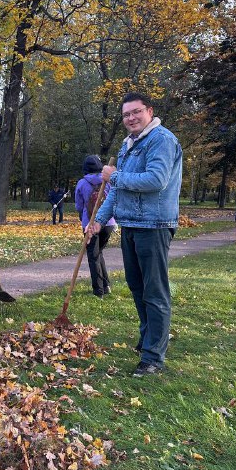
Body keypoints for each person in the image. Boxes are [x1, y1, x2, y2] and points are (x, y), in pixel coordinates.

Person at [86, 92, 182, 377]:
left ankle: (153, 357)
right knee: (137, 287)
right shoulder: (128, 145)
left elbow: (156, 180)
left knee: (155, 290)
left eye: (135, 112)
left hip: (154, 225)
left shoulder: (161, 140)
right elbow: (116, 191)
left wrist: (113, 175)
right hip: (130, 225)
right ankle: (148, 338)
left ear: (149, 111)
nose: (130, 118)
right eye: (126, 114)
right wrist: (99, 221)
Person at [75, 155, 116, 297]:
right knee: (99, 253)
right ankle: (106, 285)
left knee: (93, 256)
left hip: (90, 225)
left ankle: (98, 290)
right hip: (109, 223)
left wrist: (83, 218)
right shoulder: (108, 181)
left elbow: (79, 206)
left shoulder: (81, 183)